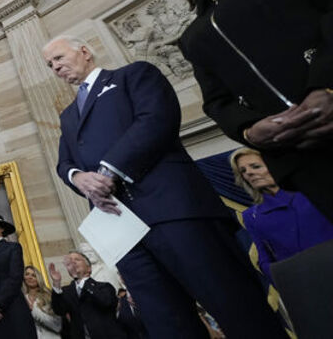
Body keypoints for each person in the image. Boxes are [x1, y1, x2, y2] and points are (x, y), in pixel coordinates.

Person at [42, 36, 288, 339]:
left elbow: (156, 120)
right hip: (120, 228)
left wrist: (108, 170)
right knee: (165, 322)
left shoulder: (133, 75)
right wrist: (78, 177)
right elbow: (64, 163)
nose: (55, 67)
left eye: (58, 57)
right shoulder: (68, 116)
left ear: (84, 51)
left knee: (232, 303)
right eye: (49, 64)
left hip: (172, 209)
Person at [149, 0, 333, 223]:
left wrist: (327, 86)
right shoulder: (193, 38)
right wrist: (249, 130)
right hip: (302, 156)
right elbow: (217, 101)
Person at [229, 147, 333, 283]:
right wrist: (285, 277)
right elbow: (264, 259)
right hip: (303, 283)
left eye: (255, 166)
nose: (249, 173)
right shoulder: (252, 216)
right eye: (243, 171)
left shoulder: (313, 192)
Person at [49, 252, 122, 339]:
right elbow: (59, 310)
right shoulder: (66, 291)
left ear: (89, 268)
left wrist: (83, 282)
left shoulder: (104, 286)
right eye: (70, 261)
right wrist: (56, 283)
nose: (73, 262)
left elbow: (107, 302)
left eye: (77, 259)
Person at [23, 265, 61, 339]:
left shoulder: (48, 297)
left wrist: (33, 311)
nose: (30, 277)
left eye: (34, 275)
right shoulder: (20, 299)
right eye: (27, 274)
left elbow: (57, 326)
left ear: (38, 279)